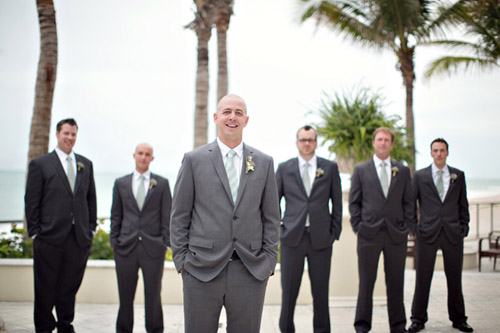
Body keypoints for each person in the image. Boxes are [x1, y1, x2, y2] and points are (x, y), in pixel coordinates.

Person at [170, 94, 281, 333]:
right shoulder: (193, 160)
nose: (232, 117)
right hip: (200, 270)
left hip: (250, 271)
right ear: (216, 117)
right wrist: (182, 261)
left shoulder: (263, 162)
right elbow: (179, 216)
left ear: (246, 120)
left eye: (238, 113)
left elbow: (271, 217)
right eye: (227, 112)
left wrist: (269, 261)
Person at [25, 118, 97, 333]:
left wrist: (90, 228)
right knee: (45, 288)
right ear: (57, 134)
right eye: (66, 133)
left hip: (78, 238)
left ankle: (66, 326)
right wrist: (36, 232)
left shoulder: (86, 164)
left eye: (73, 134)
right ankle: (45, 328)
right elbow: (32, 201)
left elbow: (90, 199)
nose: (70, 138)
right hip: (48, 237)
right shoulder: (41, 164)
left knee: (69, 287)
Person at [348, 127, 416, 333]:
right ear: (374, 143)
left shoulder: (402, 171)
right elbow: (354, 202)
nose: (383, 143)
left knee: (396, 283)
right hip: (368, 235)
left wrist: (406, 228)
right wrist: (358, 227)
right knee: (366, 284)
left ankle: (398, 326)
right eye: (379, 139)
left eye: (387, 140)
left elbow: (409, 202)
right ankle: (362, 326)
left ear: (392, 144)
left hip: (396, 235)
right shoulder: (361, 170)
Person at [276, 125, 342, 333]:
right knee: (288, 293)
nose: (307, 144)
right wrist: (279, 231)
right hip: (291, 239)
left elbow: (337, 203)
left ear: (316, 142)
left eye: (310, 140)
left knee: (321, 292)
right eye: (303, 140)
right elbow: (273, 202)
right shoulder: (284, 168)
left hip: (321, 240)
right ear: (297, 142)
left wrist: (334, 233)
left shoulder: (329, 168)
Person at [408, 138, 473, 333]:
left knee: (454, 278)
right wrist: (414, 228)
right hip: (426, 233)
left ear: (447, 153)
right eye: (435, 150)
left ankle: (459, 319)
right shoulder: (420, 176)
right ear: (431, 153)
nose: (438, 154)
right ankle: (418, 319)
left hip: (453, 234)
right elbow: (411, 203)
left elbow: (463, 203)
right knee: (422, 278)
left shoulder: (458, 175)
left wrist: (464, 227)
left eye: (442, 150)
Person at [110, 143, 172, 333]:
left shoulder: (161, 184)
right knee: (125, 296)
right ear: (134, 155)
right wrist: (115, 242)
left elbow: (167, 216)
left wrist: (165, 243)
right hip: (125, 247)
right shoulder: (121, 183)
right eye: (140, 154)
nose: (143, 157)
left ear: (152, 158)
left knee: (153, 295)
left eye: (147, 154)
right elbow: (116, 215)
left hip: (153, 248)